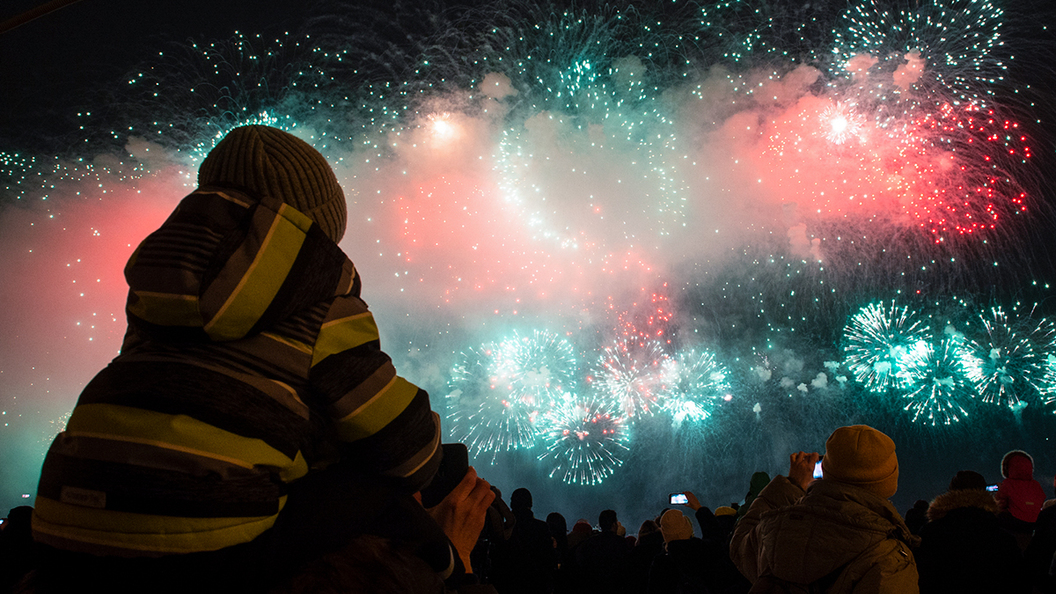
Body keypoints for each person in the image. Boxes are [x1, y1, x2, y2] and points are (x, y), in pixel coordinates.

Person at [29, 125, 460, 592]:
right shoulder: (322, 301)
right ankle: (453, 566)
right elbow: (404, 445)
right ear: (320, 224)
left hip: (63, 524)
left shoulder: (153, 298)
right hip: (202, 553)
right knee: (385, 477)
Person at [730, 425, 919, 593]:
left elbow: (740, 545)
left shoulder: (779, 530)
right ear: (888, 483)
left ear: (825, 471)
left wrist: (792, 484)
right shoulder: (890, 558)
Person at [916, 470, 1028, 594]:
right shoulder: (1004, 540)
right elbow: (1019, 582)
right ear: (985, 495)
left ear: (950, 495)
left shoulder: (930, 534)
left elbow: (920, 578)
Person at [996, 449, 1048, 548]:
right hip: (1034, 523)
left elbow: (1000, 503)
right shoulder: (1036, 485)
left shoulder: (1008, 484)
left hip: (1014, 523)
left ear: (1007, 468)